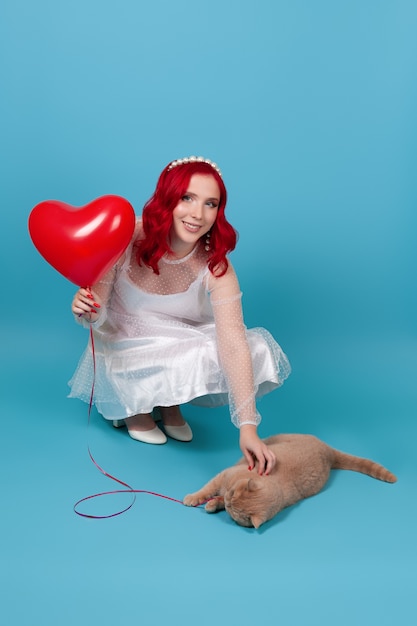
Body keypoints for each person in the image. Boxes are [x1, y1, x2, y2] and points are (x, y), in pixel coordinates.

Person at [69, 156, 290, 475]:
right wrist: (85, 308)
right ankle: (136, 408)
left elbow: (232, 341)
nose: (198, 214)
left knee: (251, 347)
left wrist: (248, 427)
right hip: (124, 341)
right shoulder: (127, 235)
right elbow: (96, 311)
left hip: (177, 340)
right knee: (134, 354)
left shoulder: (216, 265)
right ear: (167, 199)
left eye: (210, 203)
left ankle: (168, 403)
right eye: (187, 198)